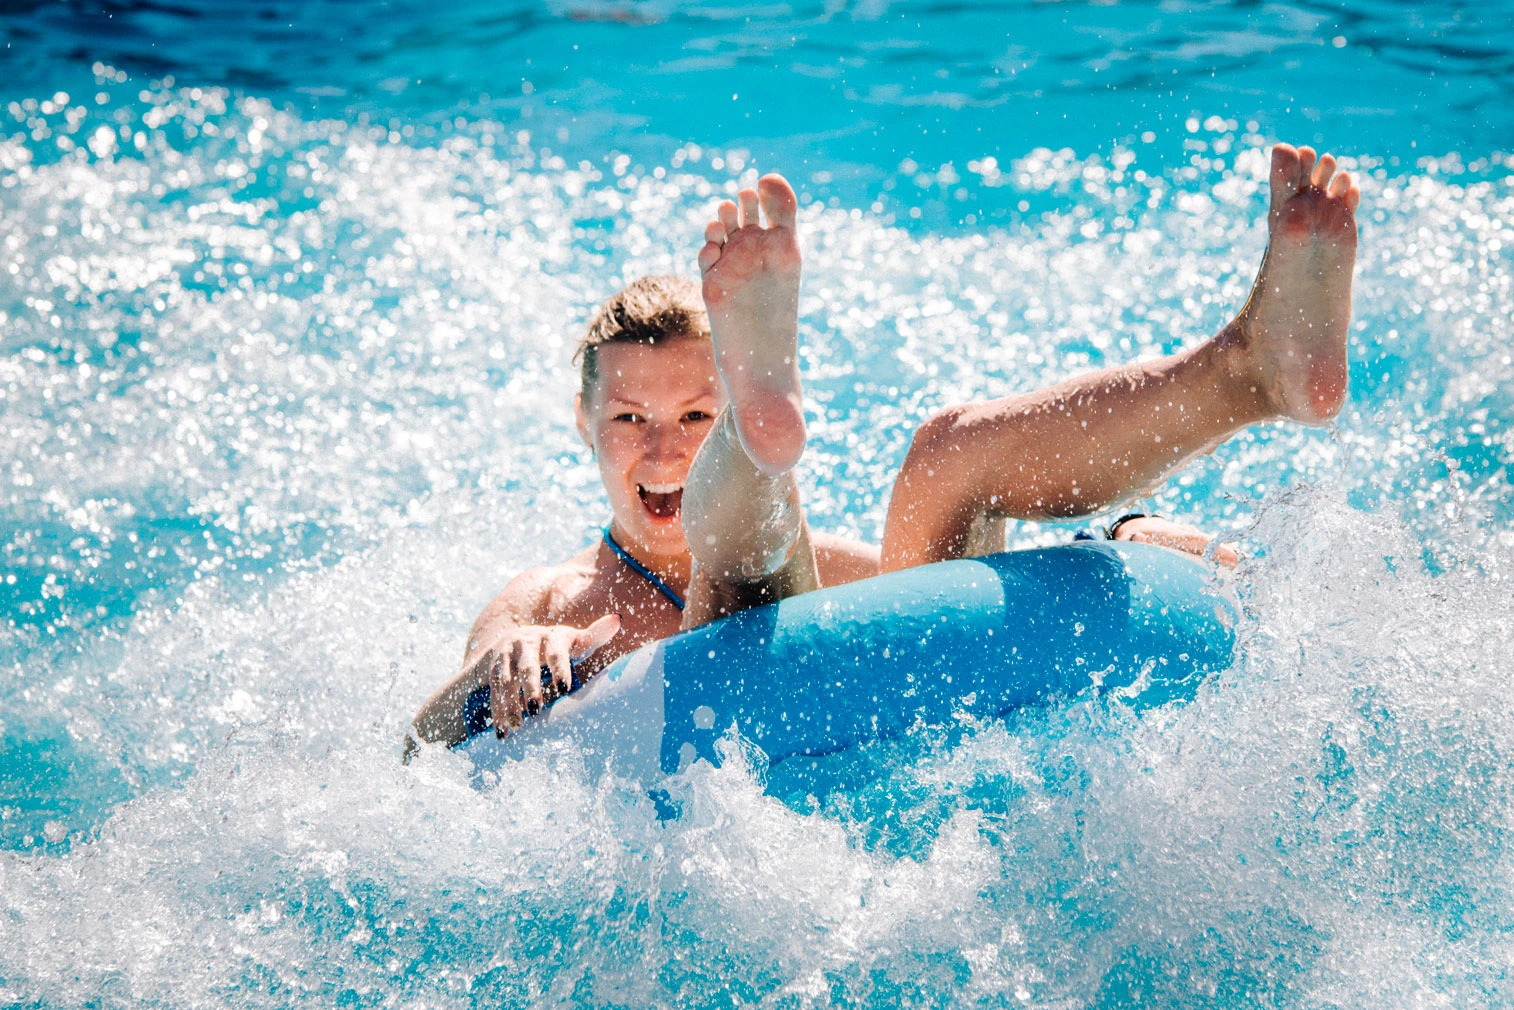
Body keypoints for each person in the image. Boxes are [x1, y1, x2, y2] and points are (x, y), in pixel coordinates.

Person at [406, 141, 1356, 754]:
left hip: (862, 758)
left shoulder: (831, 562)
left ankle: (1249, 370)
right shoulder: (550, 601)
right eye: (629, 420)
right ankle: (756, 438)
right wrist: (495, 668)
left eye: (696, 418)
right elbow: (422, 743)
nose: (662, 449)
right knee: (744, 563)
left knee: (942, 456)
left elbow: (974, 586)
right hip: (709, 773)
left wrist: (1128, 538)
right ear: (584, 426)